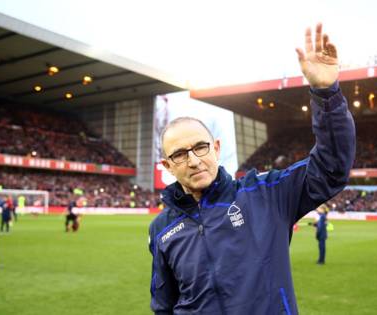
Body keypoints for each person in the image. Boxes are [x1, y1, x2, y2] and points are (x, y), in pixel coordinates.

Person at [148, 23, 355, 314]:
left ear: (216, 148)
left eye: (200, 147)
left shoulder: (267, 194)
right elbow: (163, 306)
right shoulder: (161, 229)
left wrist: (326, 93)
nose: (194, 160)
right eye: (180, 155)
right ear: (168, 166)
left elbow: (332, 168)